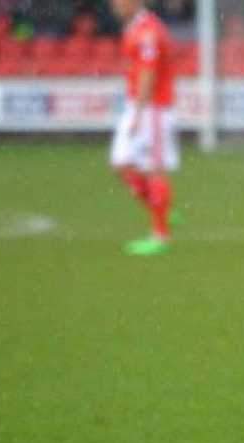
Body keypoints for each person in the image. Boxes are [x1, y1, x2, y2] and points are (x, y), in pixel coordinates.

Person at [109, 0, 178, 256]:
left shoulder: (148, 31)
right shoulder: (135, 28)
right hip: (139, 106)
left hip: (153, 108)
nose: (114, 4)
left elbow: (148, 72)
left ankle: (160, 235)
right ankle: (162, 208)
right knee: (121, 163)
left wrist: (139, 111)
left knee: (153, 169)